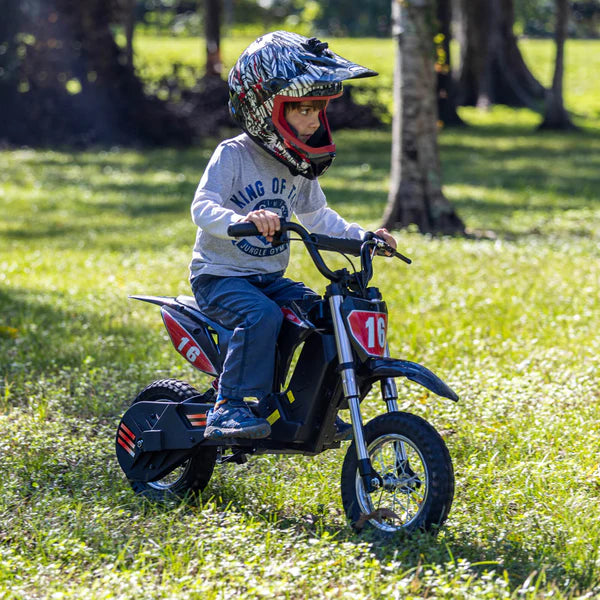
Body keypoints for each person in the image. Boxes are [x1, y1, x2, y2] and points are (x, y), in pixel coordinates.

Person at [189, 31, 397, 440]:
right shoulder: (233, 155)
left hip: (268, 278)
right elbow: (202, 207)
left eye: (318, 110)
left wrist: (364, 238)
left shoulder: (297, 163)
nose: (314, 121)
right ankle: (229, 406)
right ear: (264, 107)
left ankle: (311, 404)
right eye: (302, 109)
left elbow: (318, 217)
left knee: (321, 314)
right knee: (261, 316)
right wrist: (242, 219)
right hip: (220, 277)